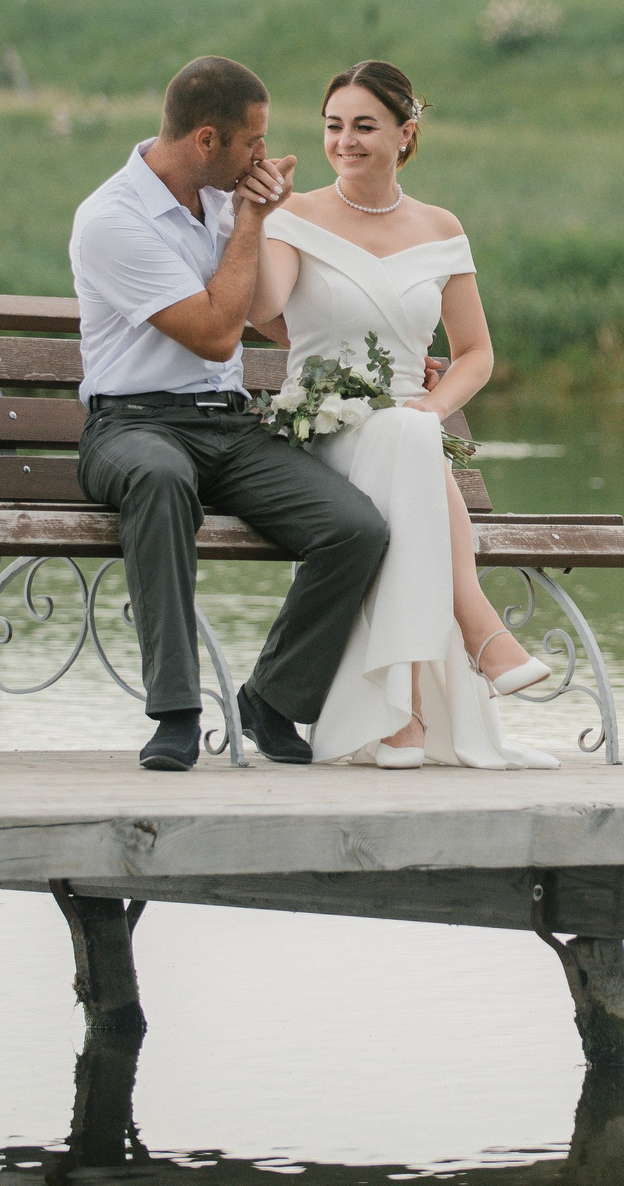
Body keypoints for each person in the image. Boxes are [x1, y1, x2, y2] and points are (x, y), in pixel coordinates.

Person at [69, 54, 390, 771]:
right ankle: (177, 713)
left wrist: (389, 350)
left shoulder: (221, 202)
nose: (265, 159)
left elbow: (272, 318)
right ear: (206, 140)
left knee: (356, 528)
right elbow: (216, 330)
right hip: (132, 428)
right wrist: (252, 217)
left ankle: (270, 698)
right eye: (254, 142)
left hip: (228, 424)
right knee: (158, 479)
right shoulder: (113, 219)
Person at [247, 59, 557, 769]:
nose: (345, 141)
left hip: (407, 434)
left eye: (364, 126)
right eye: (333, 126)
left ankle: (404, 718)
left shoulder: (441, 227)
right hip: (321, 433)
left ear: (405, 133)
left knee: (407, 435)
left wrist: (433, 404)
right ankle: (480, 629)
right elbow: (263, 309)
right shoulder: (297, 217)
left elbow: (475, 352)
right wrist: (260, 218)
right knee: (406, 442)